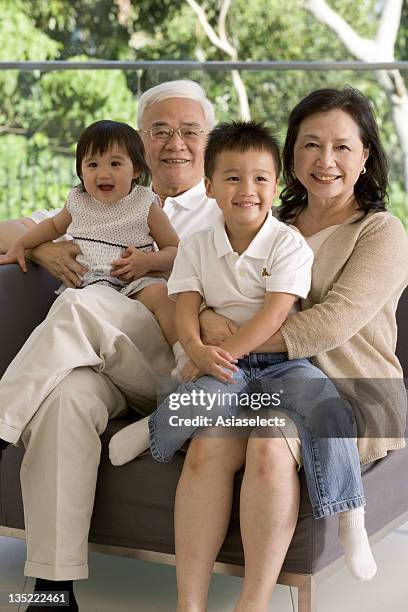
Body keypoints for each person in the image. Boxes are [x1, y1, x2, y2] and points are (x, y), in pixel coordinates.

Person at [171, 88, 408, 612]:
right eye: (311, 145)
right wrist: (207, 325)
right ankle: (189, 605)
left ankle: (252, 604)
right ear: (291, 157)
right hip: (256, 378)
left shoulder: (382, 232)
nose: (326, 161)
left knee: (269, 443)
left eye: (343, 147)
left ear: (366, 154)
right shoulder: (268, 220)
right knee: (210, 443)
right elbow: (210, 285)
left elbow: (332, 323)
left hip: (348, 390)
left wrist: (225, 343)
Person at [0, 80, 220, 611]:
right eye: (160, 131)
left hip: (168, 361)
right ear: (140, 144)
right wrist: (49, 246)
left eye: (190, 131)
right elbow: (9, 229)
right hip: (103, 358)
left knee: (78, 306)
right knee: (66, 396)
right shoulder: (98, 198)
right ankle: (52, 590)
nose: (176, 143)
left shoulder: (229, 202)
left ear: (209, 141)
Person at [0, 118, 202, 459]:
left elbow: (175, 250)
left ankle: (185, 360)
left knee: (156, 298)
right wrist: (26, 247)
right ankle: (7, 423)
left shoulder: (145, 205)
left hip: (136, 284)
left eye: (114, 164)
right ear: (80, 171)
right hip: (94, 285)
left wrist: (147, 262)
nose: (102, 173)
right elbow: (48, 226)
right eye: (92, 165)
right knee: (73, 318)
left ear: (136, 169)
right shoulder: (79, 203)